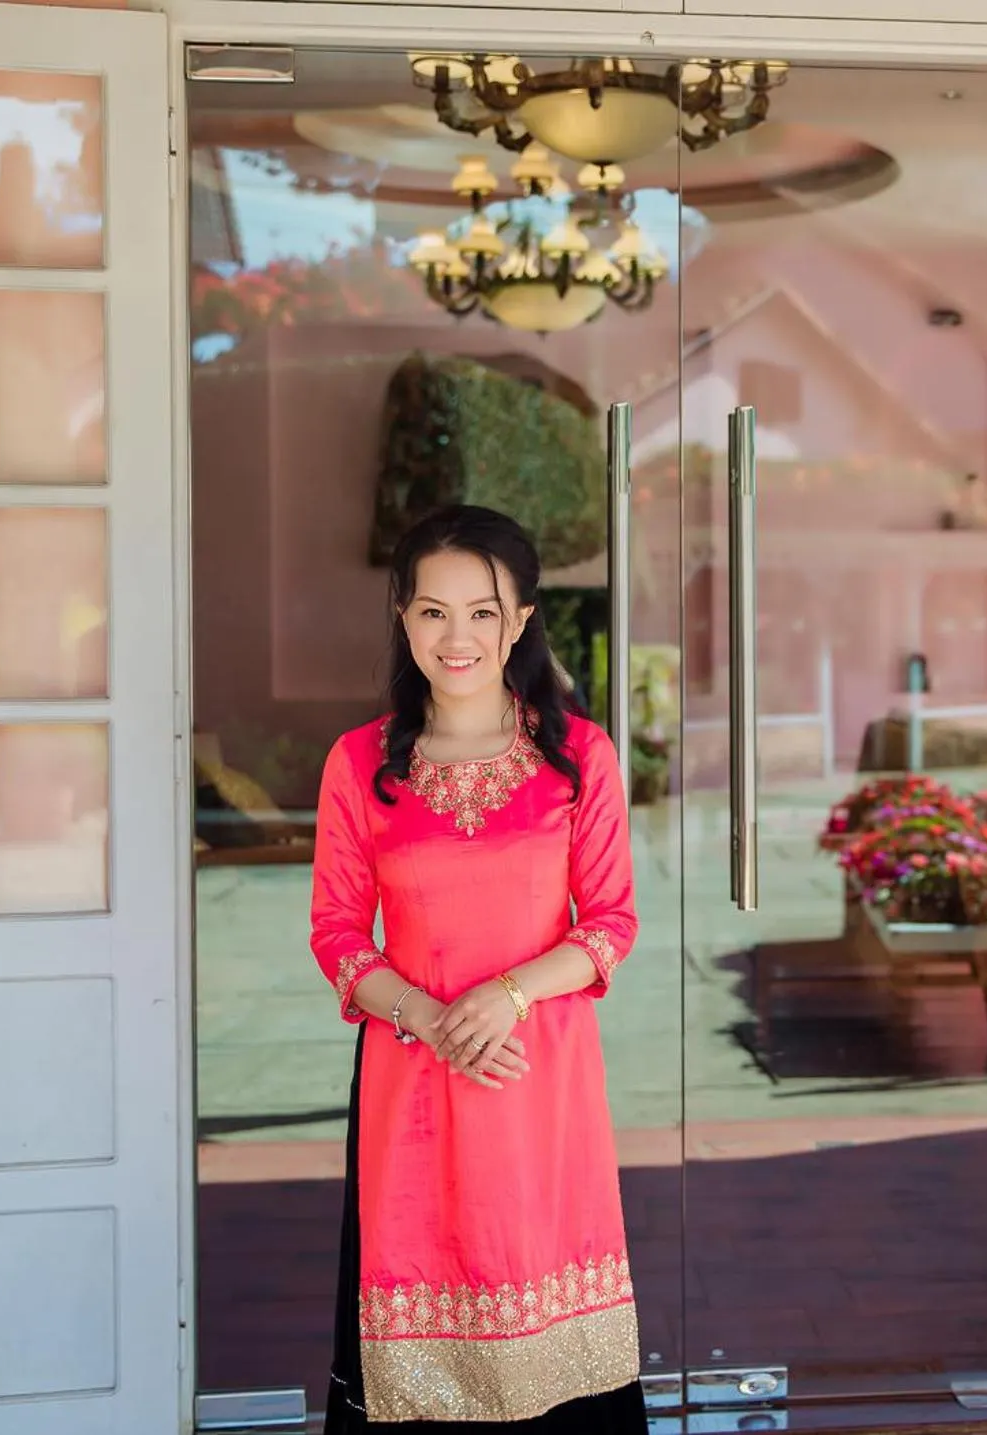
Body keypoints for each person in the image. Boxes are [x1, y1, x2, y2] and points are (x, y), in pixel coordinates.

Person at [310, 505, 646, 1431]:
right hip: (411, 1080)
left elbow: (612, 920)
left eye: (483, 612)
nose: (456, 638)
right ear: (403, 616)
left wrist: (507, 996)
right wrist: (430, 1016)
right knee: (416, 1285)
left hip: (540, 1078)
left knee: (546, 1296)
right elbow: (337, 931)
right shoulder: (359, 764)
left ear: (523, 620)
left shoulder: (577, 757)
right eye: (433, 612)